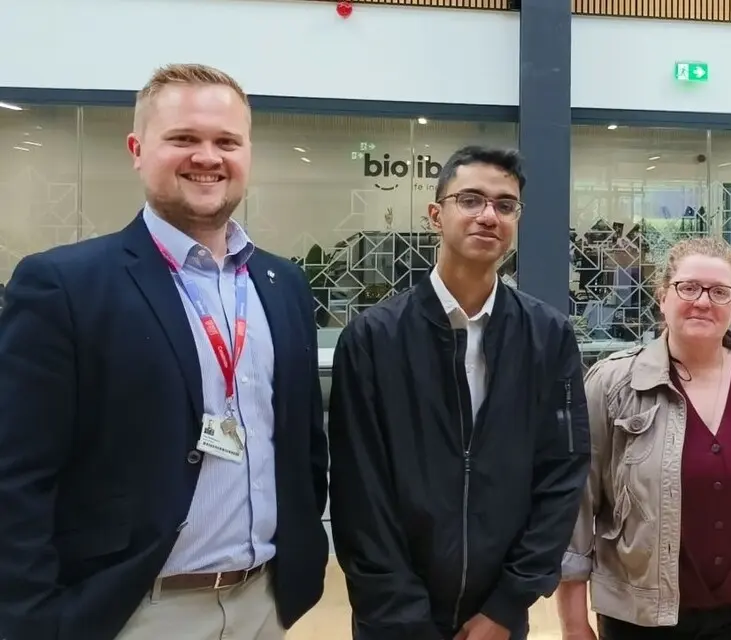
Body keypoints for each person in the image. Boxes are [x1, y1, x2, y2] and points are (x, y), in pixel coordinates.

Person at [0, 63, 330, 639]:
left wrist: (297, 577)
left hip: (264, 605)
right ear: (137, 150)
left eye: (227, 141)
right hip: (134, 612)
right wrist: (34, 621)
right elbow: (16, 475)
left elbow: (303, 448)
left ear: (248, 154)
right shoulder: (65, 287)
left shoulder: (284, 285)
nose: (208, 157)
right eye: (183, 138)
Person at [327, 145, 590, 640]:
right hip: (393, 620)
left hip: (499, 617)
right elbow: (359, 493)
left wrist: (508, 605)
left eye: (505, 205)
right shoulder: (373, 338)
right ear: (436, 215)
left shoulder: (548, 336)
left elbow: (562, 472)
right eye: (470, 200)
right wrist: (402, 617)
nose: (489, 215)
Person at [555, 236, 731, 640]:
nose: (703, 301)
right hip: (638, 618)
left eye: (719, 292)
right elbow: (577, 506)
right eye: (688, 288)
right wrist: (573, 623)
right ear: (662, 297)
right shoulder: (614, 384)